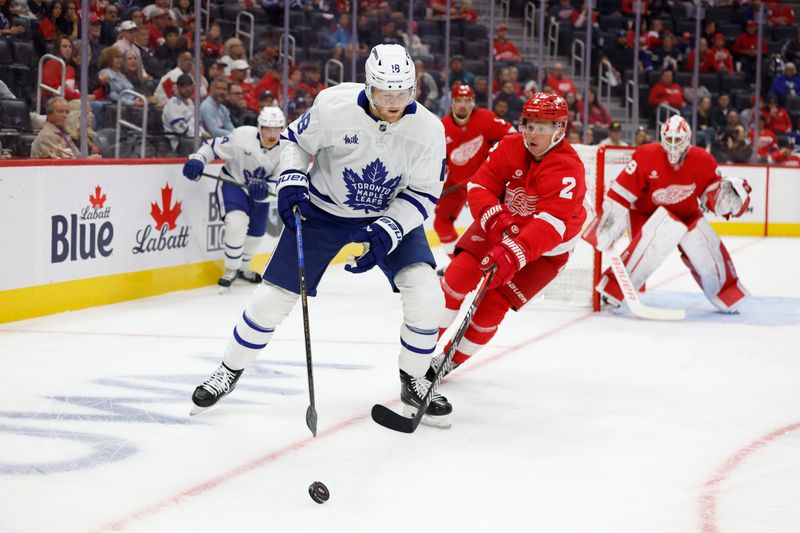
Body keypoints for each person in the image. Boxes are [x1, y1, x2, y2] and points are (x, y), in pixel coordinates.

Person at [188, 44, 452, 427]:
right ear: (368, 86)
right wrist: (293, 178)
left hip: (388, 213)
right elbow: (294, 141)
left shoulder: (429, 130)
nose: (394, 103)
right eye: (385, 93)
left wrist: (389, 231)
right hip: (324, 212)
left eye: (403, 93)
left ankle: (414, 378)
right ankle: (229, 369)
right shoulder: (333, 105)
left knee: (427, 294)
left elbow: (425, 193)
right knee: (270, 300)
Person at [430, 93, 586, 377]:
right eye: (529, 124)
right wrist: (494, 216)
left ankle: (448, 362)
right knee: (457, 277)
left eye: (542, 127)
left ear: (560, 129)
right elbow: (479, 186)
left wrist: (515, 251)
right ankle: (421, 349)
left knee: (491, 306)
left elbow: (551, 226)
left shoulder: (568, 167)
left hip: (546, 250)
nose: (532, 133)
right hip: (503, 226)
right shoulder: (510, 146)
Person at [587, 115, 751, 313]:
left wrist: (729, 199)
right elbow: (621, 192)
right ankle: (612, 291)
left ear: (688, 139)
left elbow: (712, 198)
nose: (673, 145)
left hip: (687, 214)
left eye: (677, 140)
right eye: (669, 139)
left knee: (706, 245)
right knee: (656, 239)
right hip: (646, 215)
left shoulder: (703, 160)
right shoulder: (646, 155)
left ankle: (728, 294)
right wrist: (609, 223)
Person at [183, 107, 285, 286]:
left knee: (256, 234)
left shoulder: (286, 149)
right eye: (268, 128)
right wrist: (198, 159)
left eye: (277, 129)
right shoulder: (242, 136)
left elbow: (281, 182)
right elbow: (212, 147)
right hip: (234, 183)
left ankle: (244, 268)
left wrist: (267, 188)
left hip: (262, 194)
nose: (272, 134)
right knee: (235, 222)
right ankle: (232, 268)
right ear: (259, 127)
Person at [434, 84, 515, 261]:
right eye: (458, 101)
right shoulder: (441, 127)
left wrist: (496, 155)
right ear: (452, 103)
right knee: (441, 224)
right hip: (456, 183)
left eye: (467, 101)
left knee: (490, 223)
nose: (462, 105)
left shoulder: (485, 118)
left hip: (484, 182)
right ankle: (457, 262)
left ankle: (499, 259)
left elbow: (513, 136)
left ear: (473, 103)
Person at [163, 73, 208, 151]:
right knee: (198, 143)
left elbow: (197, 123)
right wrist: (201, 134)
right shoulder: (172, 104)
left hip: (192, 138)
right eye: (184, 86)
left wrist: (203, 132)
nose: (187, 89)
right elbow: (181, 130)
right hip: (177, 142)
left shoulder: (190, 102)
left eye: (189, 85)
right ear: (178, 87)